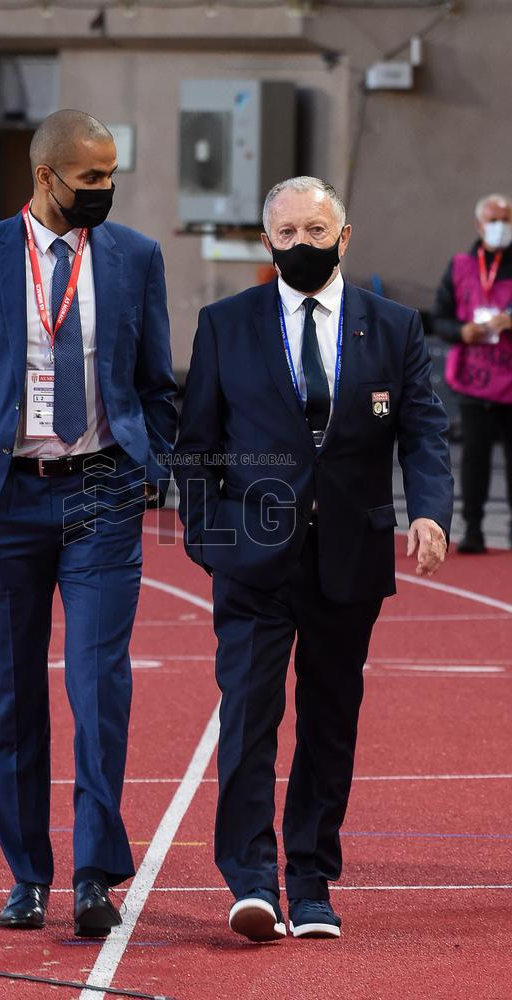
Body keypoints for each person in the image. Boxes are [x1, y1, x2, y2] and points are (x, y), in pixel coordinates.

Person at [173, 176, 452, 942]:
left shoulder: (393, 326)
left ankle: (310, 880)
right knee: (248, 718)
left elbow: (423, 430)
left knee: (330, 723)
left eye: (315, 230)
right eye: (287, 233)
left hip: (348, 558)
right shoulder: (224, 324)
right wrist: (206, 538)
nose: (302, 243)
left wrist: (429, 510)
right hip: (250, 561)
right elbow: (195, 444)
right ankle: (251, 881)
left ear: (343, 236)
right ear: (267, 241)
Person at [0, 109, 177, 934]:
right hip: (4, 500)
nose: (105, 189)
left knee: (98, 687)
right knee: (13, 696)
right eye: (91, 177)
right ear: (46, 177)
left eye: (111, 176)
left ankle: (93, 875)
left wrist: (151, 465)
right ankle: (26, 875)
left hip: (102, 491)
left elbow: (156, 383)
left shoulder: (136, 257)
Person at [433, 192, 512, 553]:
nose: (500, 227)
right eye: (494, 220)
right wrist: (461, 331)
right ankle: (473, 528)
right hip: (474, 379)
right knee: (474, 458)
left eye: (506, 220)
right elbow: (440, 318)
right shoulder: (460, 266)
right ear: (479, 226)